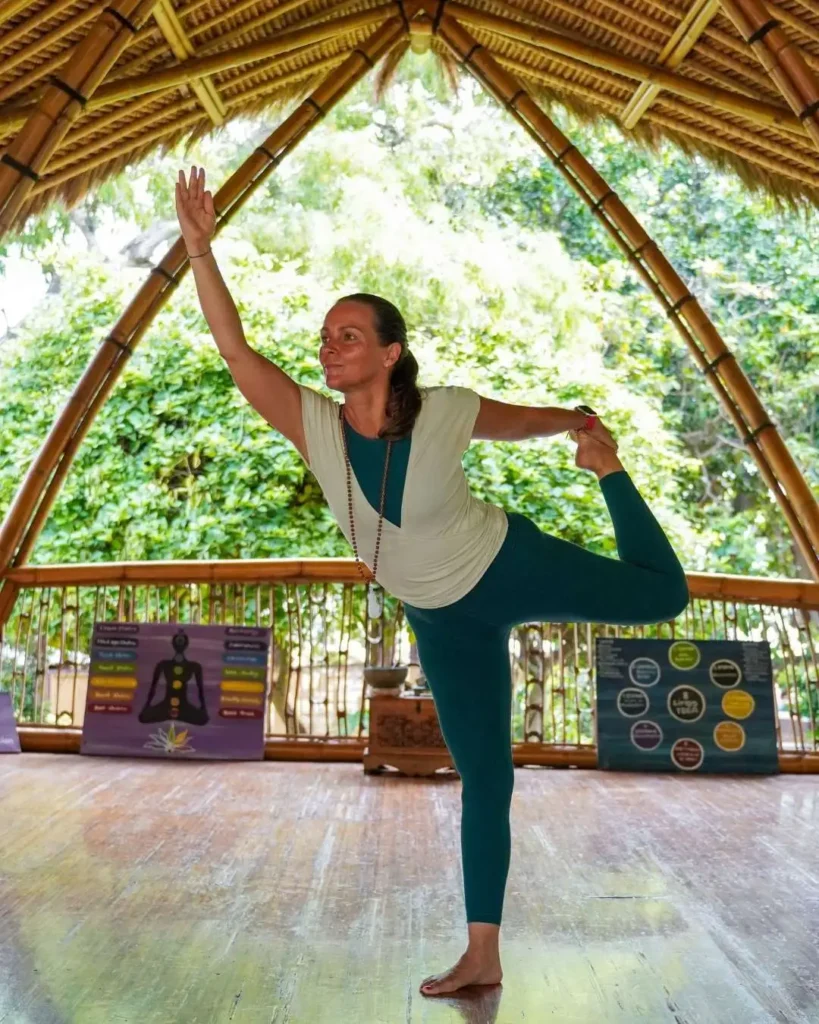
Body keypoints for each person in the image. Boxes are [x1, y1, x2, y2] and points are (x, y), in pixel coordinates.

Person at [175, 166, 689, 997]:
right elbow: (235, 349)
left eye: (349, 335)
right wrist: (201, 250)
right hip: (440, 618)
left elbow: (515, 421)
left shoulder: (444, 409)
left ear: (390, 351)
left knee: (661, 595)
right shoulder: (311, 422)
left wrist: (579, 427)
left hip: (505, 563)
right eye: (325, 335)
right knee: (487, 775)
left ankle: (614, 481)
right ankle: (481, 952)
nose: (329, 345)